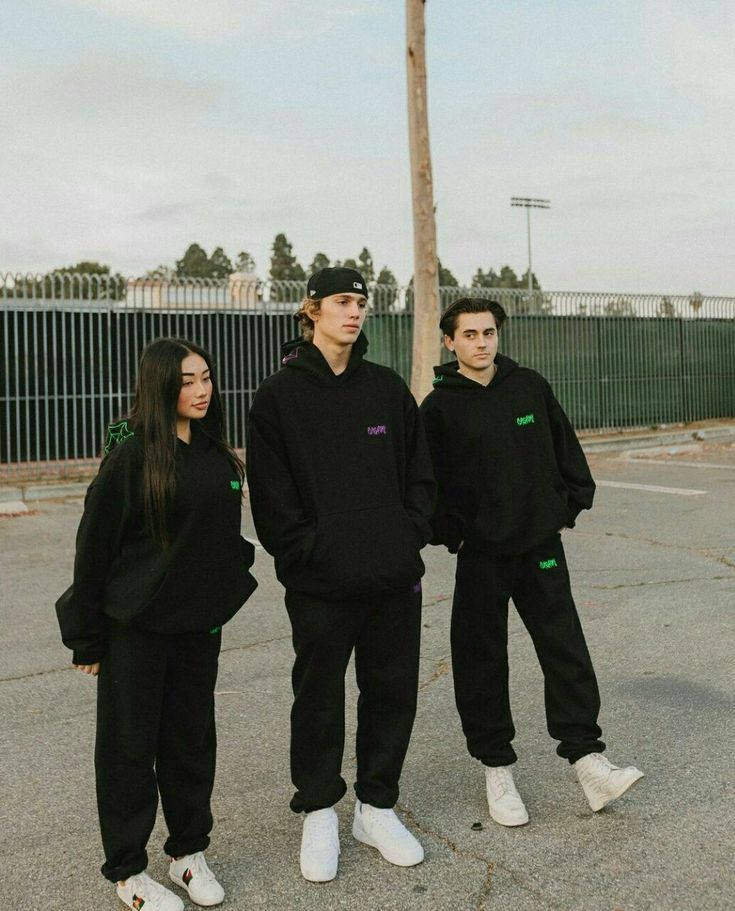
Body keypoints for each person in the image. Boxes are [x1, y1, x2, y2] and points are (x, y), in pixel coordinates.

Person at [420, 298, 643, 827]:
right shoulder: (439, 408)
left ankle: (589, 762)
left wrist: (563, 509)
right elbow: (429, 486)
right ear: (450, 342)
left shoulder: (529, 386)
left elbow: (566, 453)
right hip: (482, 555)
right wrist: (456, 536)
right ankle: (497, 769)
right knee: (481, 660)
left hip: (541, 547)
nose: (481, 342)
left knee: (564, 648)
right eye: (469, 334)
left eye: (489, 332)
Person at [246, 267, 435, 882]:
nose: (354, 313)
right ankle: (320, 810)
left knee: (391, 693)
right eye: (342, 302)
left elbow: (420, 475)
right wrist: (306, 554)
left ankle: (376, 808)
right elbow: (272, 498)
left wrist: (407, 538)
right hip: (321, 583)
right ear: (311, 310)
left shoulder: (386, 389)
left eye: (362, 303)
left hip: (391, 577)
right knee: (319, 698)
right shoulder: (279, 396)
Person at [56, 337, 257, 911]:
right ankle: (129, 871)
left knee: (190, 744)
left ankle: (189, 853)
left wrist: (226, 586)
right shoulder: (133, 454)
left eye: (206, 378)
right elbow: (94, 547)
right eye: (186, 380)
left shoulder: (217, 455)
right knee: (128, 750)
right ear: (160, 386)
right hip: (135, 630)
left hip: (197, 630)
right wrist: (87, 635)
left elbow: (222, 538)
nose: (199, 390)